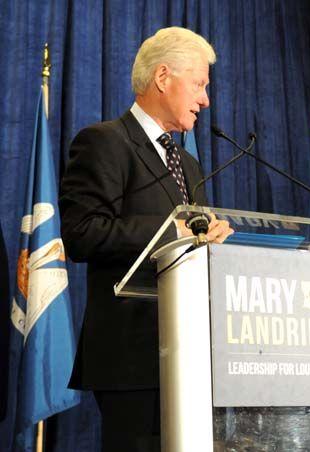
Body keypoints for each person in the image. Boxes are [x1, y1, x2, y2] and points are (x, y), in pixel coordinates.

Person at [59, 27, 233, 452]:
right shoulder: (104, 142)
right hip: (131, 358)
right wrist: (171, 232)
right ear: (162, 77)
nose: (205, 99)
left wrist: (208, 242)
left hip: (187, 353)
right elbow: (82, 234)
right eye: (199, 85)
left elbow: (186, 245)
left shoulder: (188, 164)